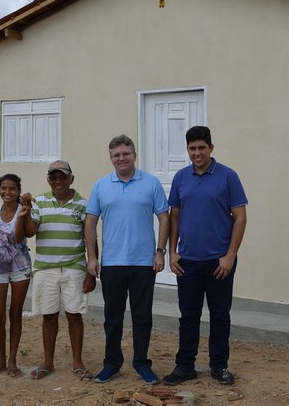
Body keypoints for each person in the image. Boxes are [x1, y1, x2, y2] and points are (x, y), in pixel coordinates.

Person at [162, 126, 247, 387]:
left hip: (219, 262)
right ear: (187, 150)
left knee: (219, 315)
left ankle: (219, 366)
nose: (197, 153)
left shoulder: (228, 176)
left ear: (211, 148)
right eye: (192, 148)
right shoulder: (181, 178)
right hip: (188, 261)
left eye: (201, 148)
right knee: (188, 315)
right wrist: (172, 252)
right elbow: (174, 217)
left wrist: (230, 256)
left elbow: (240, 218)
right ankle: (185, 366)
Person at [85, 134, 169, 385]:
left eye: (126, 153)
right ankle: (112, 364)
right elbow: (90, 222)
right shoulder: (101, 186)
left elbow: (164, 217)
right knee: (113, 317)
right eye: (116, 155)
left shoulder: (151, 183)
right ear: (111, 158)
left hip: (143, 263)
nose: (121, 158)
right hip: (112, 263)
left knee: (142, 317)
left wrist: (160, 251)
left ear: (134, 155)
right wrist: (92, 257)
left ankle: (142, 363)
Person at [16, 160, 96, 380]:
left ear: (72, 179)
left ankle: (77, 362)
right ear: (49, 180)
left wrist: (91, 271)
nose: (58, 181)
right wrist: (26, 211)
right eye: (54, 177)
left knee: (74, 316)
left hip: (75, 268)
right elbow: (30, 232)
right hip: (46, 268)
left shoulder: (83, 205)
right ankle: (48, 362)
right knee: (49, 317)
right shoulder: (39, 202)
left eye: (63, 177)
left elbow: (90, 238)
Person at [0, 173, 34, 378]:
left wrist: (23, 215)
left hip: (20, 268)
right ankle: (0, 359)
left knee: (16, 314)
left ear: (18, 191)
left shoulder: (24, 210)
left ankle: (12, 361)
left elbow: (19, 238)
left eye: (12, 188)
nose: (7, 192)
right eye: (4, 188)